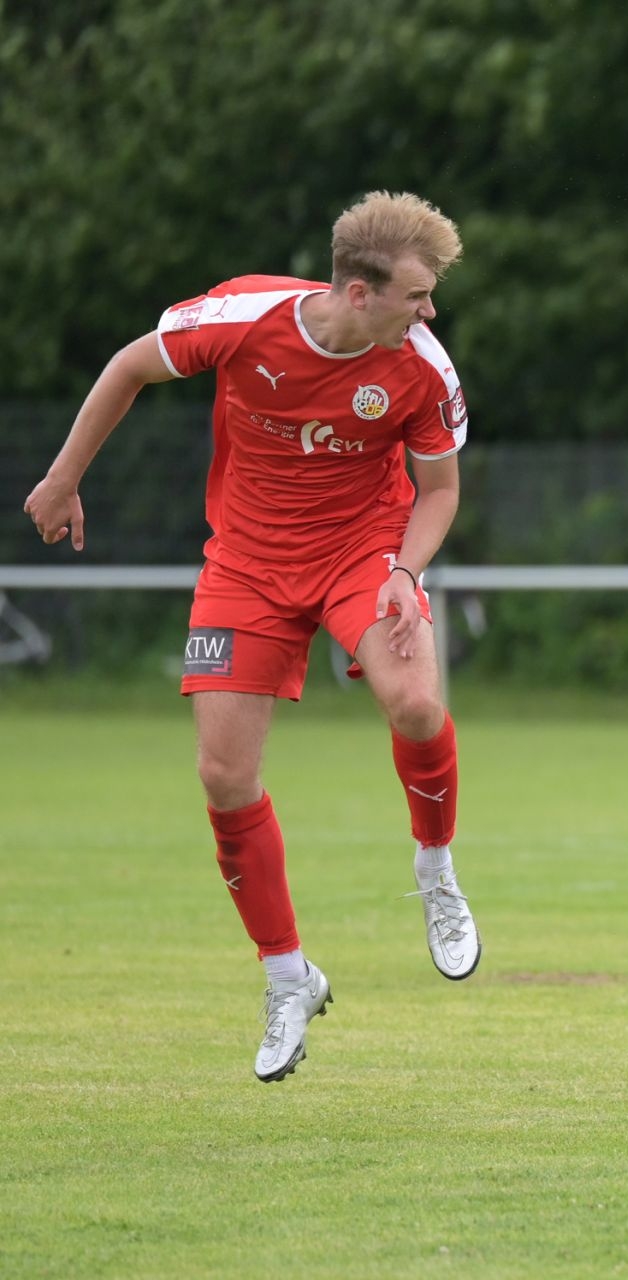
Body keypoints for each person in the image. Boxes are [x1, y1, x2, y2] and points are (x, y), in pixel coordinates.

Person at [21, 191, 482, 1083]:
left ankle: (435, 870)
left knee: (417, 704)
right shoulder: (242, 318)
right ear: (359, 292)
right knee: (224, 777)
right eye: (418, 295)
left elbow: (440, 492)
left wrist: (405, 570)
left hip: (363, 553)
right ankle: (288, 978)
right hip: (248, 565)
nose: (430, 313)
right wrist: (63, 478)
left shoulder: (423, 367)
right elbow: (128, 366)